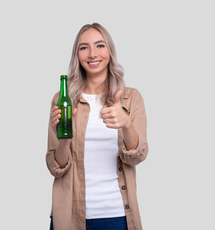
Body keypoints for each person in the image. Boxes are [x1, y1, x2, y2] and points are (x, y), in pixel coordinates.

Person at [46, 23, 148, 230]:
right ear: (77, 55)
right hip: (69, 216)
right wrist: (65, 139)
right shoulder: (63, 99)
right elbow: (55, 167)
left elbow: (137, 156)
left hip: (116, 216)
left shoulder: (131, 98)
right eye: (84, 48)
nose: (92, 54)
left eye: (100, 46)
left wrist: (126, 124)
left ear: (110, 51)